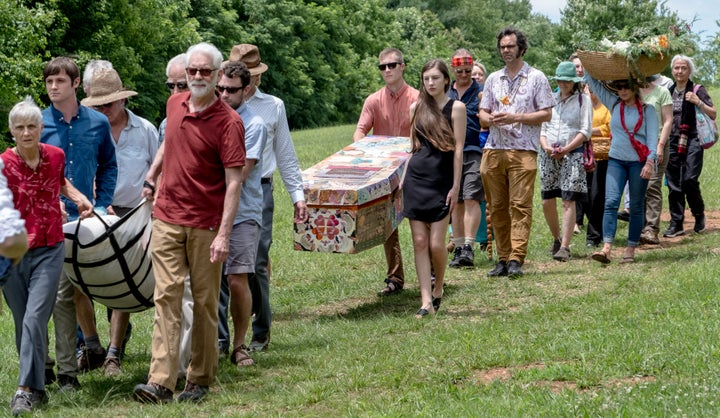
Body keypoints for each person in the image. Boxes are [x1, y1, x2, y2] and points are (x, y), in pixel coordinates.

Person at [132, 42, 246, 404]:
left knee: (204, 301)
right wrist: (152, 176)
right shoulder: (174, 105)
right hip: (166, 217)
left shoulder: (229, 122)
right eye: (192, 71)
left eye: (204, 72)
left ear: (217, 76)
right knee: (165, 297)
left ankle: (199, 378)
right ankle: (161, 381)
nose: (197, 77)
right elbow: (168, 143)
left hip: (205, 225)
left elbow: (234, 183)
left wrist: (224, 235)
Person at [2, 97, 93, 416]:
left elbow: (61, 182)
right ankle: (38, 384)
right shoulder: (3, 165)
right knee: (22, 320)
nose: (26, 132)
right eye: (20, 127)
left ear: (41, 128)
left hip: (50, 246)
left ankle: (23, 391)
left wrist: (80, 198)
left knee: (34, 317)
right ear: (11, 131)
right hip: (12, 251)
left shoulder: (55, 156)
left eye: (32, 126)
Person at [40, 56, 118, 390]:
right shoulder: (38, 124)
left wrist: (100, 204)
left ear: (76, 85)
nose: (53, 87)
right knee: (54, 294)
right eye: (48, 82)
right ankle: (59, 366)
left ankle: (98, 346)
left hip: (86, 219)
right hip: (48, 222)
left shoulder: (98, 124)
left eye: (59, 81)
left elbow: (109, 165)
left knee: (90, 284)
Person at [80, 67, 159, 376]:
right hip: (97, 211)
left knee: (125, 278)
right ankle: (90, 345)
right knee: (86, 280)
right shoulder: (86, 132)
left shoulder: (145, 130)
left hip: (136, 212)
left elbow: (159, 170)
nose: (104, 111)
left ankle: (113, 353)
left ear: (122, 101)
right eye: (97, 106)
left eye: (109, 105)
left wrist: (149, 205)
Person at [230, 43, 308, 352]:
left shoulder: (272, 106)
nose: (251, 81)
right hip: (223, 188)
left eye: (255, 75)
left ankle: (260, 330)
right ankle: (225, 334)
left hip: (260, 188)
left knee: (258, 261)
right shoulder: (219, 105)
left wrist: (297, 196)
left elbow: (286, 155)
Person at [478, 27, 554, 277]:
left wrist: (515, 117)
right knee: (497, 206)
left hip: (523, 150)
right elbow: (482, 112)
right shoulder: (493, 79)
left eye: (510, 46)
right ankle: (502, 258)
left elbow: (546, 113)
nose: (506, 50)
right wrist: (491, 119)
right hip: (493, 149)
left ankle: (516, 259)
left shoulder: (537, 77)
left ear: (521, 48)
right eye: (502, 47)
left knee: (520, 205)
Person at [402, 59, 465, 318]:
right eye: (426, 78)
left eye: (436, 78)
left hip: (442, 180)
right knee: (419, 242)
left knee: (437, 244)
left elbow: (459, 149)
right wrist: (401, 180)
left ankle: (438, 287)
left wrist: (456, 185)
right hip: (416, 179)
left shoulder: (456, 108)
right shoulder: (415, 108)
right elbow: (412, 148)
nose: (431, 83)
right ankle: (425, 300)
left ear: (446, 80)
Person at [352, 47, 418, 294]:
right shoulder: (373, 100)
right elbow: (360, 130)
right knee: (387, 224)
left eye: (392, 65)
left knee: (419, 222)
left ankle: (431, 273)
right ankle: (395, 278)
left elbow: (423, 134)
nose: (387, 70)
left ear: (403, 66)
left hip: (413, 166)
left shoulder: (417, 98)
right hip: (382, 169)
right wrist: (364, 148)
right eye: (383, 67)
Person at [215, 60, 267, 366]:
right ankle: (216, 341)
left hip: (244, 212)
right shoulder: (210, 118)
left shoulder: (254, 124)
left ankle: (239, 344)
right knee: (208, 283)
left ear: (246, 90)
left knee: (237, 279)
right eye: (220, 88)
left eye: (231, 90)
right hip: (210, 212)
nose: (223, 95)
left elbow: (241, 173)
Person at [585, 75, 658, 264]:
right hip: (616, 161)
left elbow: (652, 140)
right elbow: (594, 83)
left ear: (635, 88)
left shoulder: (648, 110)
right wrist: (585, 64)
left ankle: (630, 249)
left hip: (638, 163)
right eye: (619, 87)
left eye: (626, 87)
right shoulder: (614, 103)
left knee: (635, 206)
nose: (623, 90)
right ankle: (606, 248)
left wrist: (650, 163)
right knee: (610, 202)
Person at [539, 62, 592, 262]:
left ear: (574, 82)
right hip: (548, 153)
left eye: (568, 81)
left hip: (573, 153)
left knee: (569, 199)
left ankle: (565, 246)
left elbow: (585, 131)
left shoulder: (583, 100)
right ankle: (556, 237)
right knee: (547, 200)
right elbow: (542, 128)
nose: (564, 84)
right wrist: (546, 146)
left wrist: (567, 149)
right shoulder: (550, 100)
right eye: (561, 80)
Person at [663, 55, 716, 237]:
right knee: (673, 183)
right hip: (672, 140)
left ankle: (698, 213)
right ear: (672, 70)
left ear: (689, 70)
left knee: (689, 180)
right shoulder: (668, 91)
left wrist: (698, 102)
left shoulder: (697, 89)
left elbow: (713, 113)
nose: (680, 71)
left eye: (683, 68)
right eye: (677, 68)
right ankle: (676, 223)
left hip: (693, 139)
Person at [447, 49, 484, 268]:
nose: (464, 74)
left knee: (471, 196)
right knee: (457, 199)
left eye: (468, 71)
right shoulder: (446, 91)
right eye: (460, 71)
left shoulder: (480, 91)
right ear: (453, 69)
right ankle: (458, 247)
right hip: (450, 152)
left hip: (473, 149)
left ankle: (469, 246)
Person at [638, 75, 673, 244]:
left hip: (657, 144)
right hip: (636, 146)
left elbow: (668, 121)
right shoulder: (631, 92)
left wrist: (660, 145)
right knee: (638, 186)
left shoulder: (662, 91)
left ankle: (651, 229)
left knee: (652, 185)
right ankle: (639, 228)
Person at [584, 87, 612, 248]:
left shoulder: (606, 107)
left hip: (602, 156)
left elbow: (608, 129)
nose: (590, 93)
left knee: (597, 195)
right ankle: (597, 228)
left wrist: (587, 131)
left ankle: (594, 235)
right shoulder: (584, 107)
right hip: (584, 155)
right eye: (588, 90)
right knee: (585, 196)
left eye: (593, 90)